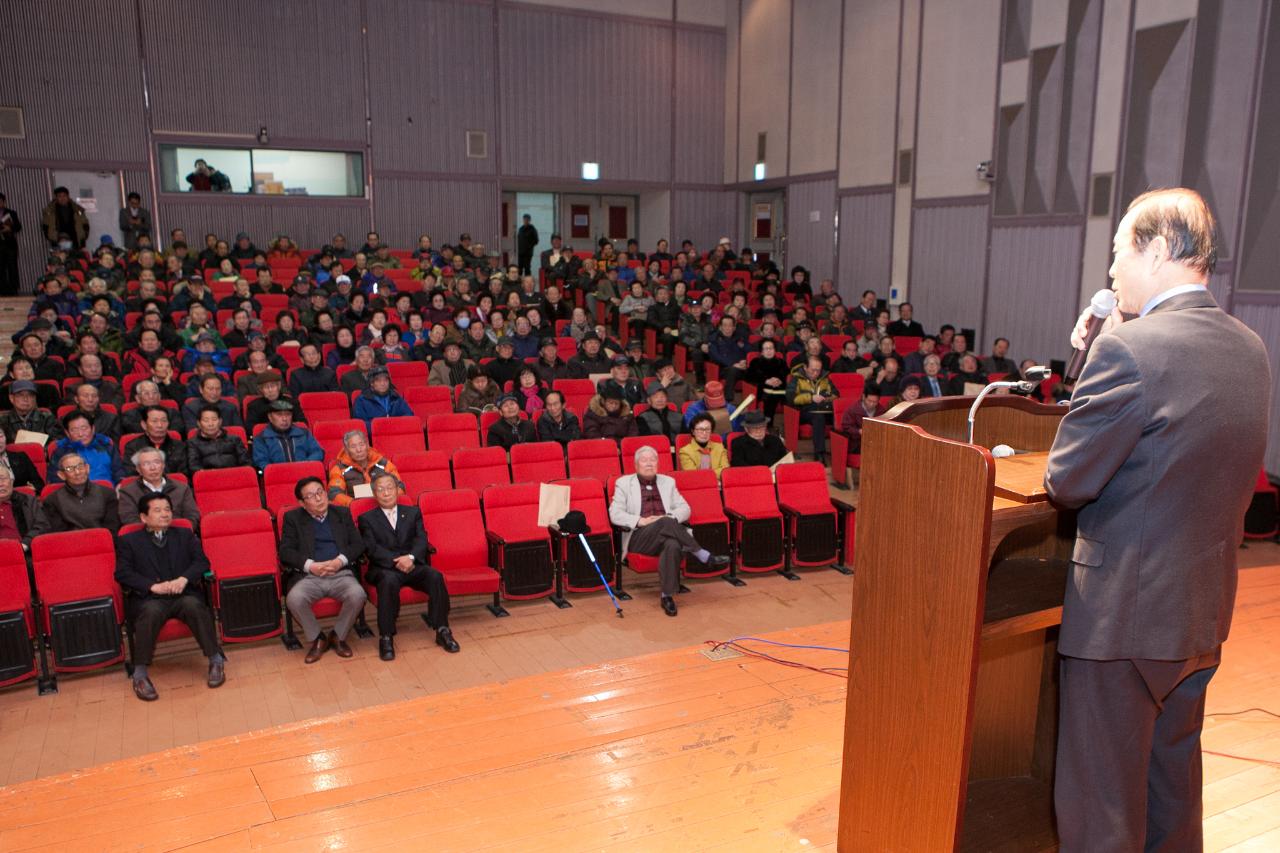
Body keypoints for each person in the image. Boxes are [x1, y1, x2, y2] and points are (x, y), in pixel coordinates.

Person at [1043, 189, 1271, 851]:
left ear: (1160, 250)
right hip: (1199, 616)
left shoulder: (1132, 350)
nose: (1110, 274)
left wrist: (1103, 340)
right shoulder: (1250, 348)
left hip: (1124, 620)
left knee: (1102, 810)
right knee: (1171, 798)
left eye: (1118, 253)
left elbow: (1067, 478)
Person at [114, 493, 225, 701]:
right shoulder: (129, 541)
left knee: (194, 605)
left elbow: (202, 563)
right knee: (150, 612)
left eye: (167, 509)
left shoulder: (184, 534)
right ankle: (140, 673)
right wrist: (152, 587)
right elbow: (122, 573)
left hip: (182, 594)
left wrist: (184, 579)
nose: (164, 514)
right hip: (151, 598)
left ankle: (215, 660)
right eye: (157, 510)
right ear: (143, 517)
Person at [609, 446, 730, 616]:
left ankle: (667, 596)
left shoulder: (668, 482)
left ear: (658, 463)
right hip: (639, 537)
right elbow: (614, 514)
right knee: (666, 523)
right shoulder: (623, 483)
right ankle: (702, 554)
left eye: (653, 460)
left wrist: (669, 518)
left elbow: (685, 509)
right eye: (644, 460)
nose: (649, 464)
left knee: (672, 544)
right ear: (636, 465)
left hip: (666, 532)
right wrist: (640, 520)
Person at [357, 472, 460, 661]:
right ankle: (386, 636)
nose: (386, 493)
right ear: (374, 494)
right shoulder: (367, 519)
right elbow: (371, 549)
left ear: (397, 490)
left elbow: (421, 540)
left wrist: (411, 558)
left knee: (435, 576)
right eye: (381, 489)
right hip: (385, 568)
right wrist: (398, 560)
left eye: (390, 488)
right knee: (388, 581)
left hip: (412, 564)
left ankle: (442, 629)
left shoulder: (412, 512)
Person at [278, 476, 368, 664]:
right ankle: (318, 638)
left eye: (320, 492)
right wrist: (311, 565)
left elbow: (358, 544)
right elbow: (285, 552)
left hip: (340, 572)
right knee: (294, 599)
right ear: (302, 503)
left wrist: (339, 561)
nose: (318, 498)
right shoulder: (292, 518)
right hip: (310, 575)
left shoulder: (341, 514)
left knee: (358, 594)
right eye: (311, 496)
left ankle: (338, 636)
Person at [32, 452, 120, 535]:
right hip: (71, 545)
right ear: (61, 475)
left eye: (80, 467)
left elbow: (112, 528)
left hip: (104, 544)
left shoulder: (107, 493)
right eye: (70, 469)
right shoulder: (52, 500)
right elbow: (58, 533)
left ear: (87, 468)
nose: (77, 472)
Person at [118, 446, 200, 527]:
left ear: (163, 465)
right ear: (138, 469)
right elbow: (130, 520)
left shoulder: (181, 488)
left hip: (179, 536)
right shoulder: (128, 492)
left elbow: (192, 516)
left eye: (157, 462)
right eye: (146, 464)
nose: (153, 468)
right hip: (146, 538)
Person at [327, 430, 402, 508]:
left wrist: (387, 499)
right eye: (353, 446)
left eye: (361, 444)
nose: (359, 450)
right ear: (346, 450)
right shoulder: (339, 469)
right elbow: (334, 493)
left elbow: (400, 486)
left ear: (367, 445)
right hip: (356, 510)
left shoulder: (383, 463)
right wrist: (354, 504)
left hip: (385, 506)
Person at [786, 357, 837, 462]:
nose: (816, 373)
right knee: (818, 418)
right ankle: (819, 454)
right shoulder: (797, 379)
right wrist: (811, 398)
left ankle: (840, 456)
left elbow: (836, 395)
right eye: (813, 370)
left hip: (824, 409)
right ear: (805, 367)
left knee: (842, 417)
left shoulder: (825, 378)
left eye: (818, 370)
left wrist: (826, 398)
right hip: (805, 411)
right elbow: (791, 398)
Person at [49, 410, 122, 484]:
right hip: (75, 493)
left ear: (93, 429)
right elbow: (55, 480)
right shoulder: (61, 452)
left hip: (108, 492)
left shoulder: (106, 445)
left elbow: (119, 473)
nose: (80, 434)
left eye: (84, 428)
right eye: (74, 430)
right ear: (67, 433)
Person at [252, 400, 325, 467]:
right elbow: (261, 462)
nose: (284, 419)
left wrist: (304, 465)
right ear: (270, 417)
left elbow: (318, 452)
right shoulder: (261, 439)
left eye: (288, 414)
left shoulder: (304, 433)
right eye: (279, 415)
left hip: (305, 473)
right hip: (278, 478)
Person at [122, 406, 187, 477]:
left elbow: (183, 475)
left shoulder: (179, 446)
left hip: (173, 486)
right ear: (144, 425)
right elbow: (131, 474)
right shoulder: (133, 447)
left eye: (164, 421)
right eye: (154, 421)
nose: (160, 425)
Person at [186, 404, 250, 473]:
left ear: (220, 422)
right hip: (209, 478)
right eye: (206, 420)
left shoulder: (234, 440)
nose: (210, 424)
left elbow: (246, 462)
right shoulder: (192, 443)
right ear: (199, 423)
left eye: (214, 419)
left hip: (234, 477)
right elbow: (194, 467)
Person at [351, 367, 413, 432]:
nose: (383, 384)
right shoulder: (361, 400)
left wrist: (395, 424)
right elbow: (360, 424)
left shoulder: (396, 397)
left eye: (386, 380)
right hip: (373, 436)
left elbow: (409, 415)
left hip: (396, 433)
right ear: (372, 383)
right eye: (378, 381)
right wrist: (382, 426)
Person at [0, 193, 22, 296]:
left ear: (4, 202)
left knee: (12, 267)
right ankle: (3, 290)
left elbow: (18, 227)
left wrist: (10, 228)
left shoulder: (11, 213)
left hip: (10, 245)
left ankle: (14, 290)